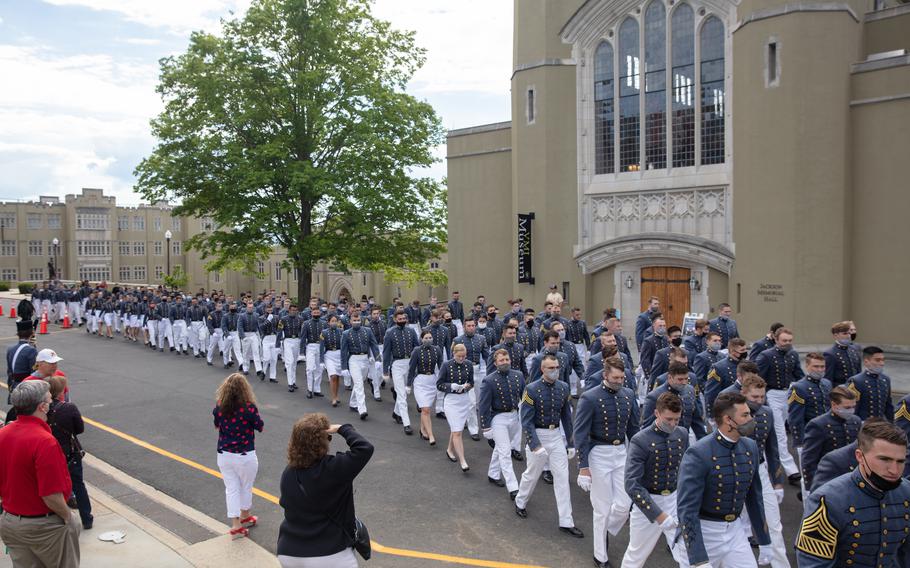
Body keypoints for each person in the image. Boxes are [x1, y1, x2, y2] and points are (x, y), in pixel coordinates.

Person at [796, 420, 910, 566]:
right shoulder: (828, 501)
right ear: (860, 456)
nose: (894, 470)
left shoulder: (906, 493)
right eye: (884, 459)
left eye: (900, 461)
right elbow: (813, 564)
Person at [676, 391, 770, 568]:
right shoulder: (698, 453)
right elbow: (687, 509)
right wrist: (697, 557)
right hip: (704, 532)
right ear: (728, 420)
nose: (751, 418)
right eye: (745, 415)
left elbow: (754, 497)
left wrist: (764, 540)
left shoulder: (750, 447)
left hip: (735, 530)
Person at [0, 380, 81, 568]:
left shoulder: (3, 435)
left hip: (11, 521)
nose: (51, 403)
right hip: (44, 527)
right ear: (42, 407)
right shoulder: (45, 442)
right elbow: (51, 495)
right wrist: (68, 517)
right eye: (49, 400)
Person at [278, 414, 373, 568]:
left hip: (289, 552)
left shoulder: (288, 473)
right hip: (330, 553)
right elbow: (364, 448)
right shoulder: (334, 468)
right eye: (328, 438)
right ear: (321, 443)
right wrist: (343, 428)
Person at [574, 356, 640, 568]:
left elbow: (633, 429)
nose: (619, 381)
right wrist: (583, 467)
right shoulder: (590, 397)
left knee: (624, 504)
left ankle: (604, 530)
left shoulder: (629, 395)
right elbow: (580, 433)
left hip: (620, 452)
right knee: (601, 508)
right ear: (605, 375)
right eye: (615, 378)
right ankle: (600, 555)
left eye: (622, 378)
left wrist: (640, 457)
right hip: (599, 453)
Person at [514, 354, 581, 537]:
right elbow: (526, 421)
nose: (555, 371)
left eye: (557, 367)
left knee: (562, 477)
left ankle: (566, 520)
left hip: (555, 436)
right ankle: (520, 501)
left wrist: (570, 442)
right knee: (532, 474)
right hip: (538, 434)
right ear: (542, 369)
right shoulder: (531, 389)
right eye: (551, 368)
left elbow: (566, 417)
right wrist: (534, 444)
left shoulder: (564, 387)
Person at [621, 392, 690, 568]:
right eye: (669, 419)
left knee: (688, 554)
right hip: (649, 503)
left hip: (675, 500)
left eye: (677, 419)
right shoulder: (641, 440)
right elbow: (632, 484)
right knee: (636, 555)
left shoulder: (681, 434)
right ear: (657, 413)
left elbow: (686, 469)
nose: (673, 424)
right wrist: (658, 515)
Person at [739, 374, 789, 568]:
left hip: (759, 471)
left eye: (762, 397)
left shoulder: (767, 413)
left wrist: (777, 481)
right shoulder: (731, 412)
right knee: (731, 525)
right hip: (736, 471)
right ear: (743, 393)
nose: (759, 401)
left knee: (774, 524)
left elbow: (772, 449)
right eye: (754, 398)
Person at [213, 373, 263, 539]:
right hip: (244, 454)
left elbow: (216, 425)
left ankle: (236, 523)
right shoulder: (249, 408)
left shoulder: (220, 406)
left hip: (224, 454)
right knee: (246, 486)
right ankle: (245, 514)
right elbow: (260, 426)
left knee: (231, 489)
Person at [44, 375, 93, 532]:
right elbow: (79, 429)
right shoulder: (68, 408)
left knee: (53, 487)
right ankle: (87, 518)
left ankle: (60, 517)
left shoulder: (42, 409)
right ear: (60, 392)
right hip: (70, 452)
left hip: (49, 453)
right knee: (78, 484)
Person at [755, 327, 804, 485]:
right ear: (776, 340)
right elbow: (759, 379)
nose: (787, 344)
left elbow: (798, 374)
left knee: (796, 428)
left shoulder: (793, 354)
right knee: (779, 434)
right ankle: (792, 471)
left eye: (790, 341)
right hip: (772, 395)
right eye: (784, 341)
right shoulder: (766, 356)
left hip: (789, 393)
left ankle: (772, 464)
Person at [479, 349, 524, 496]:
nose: (505, 362)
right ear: (495, 363)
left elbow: (525, 397)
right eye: (501, 360)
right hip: (498, 418)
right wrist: (485, 427)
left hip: (514, 416)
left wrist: (527, 413)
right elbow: (484, 406)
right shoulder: (489, 380)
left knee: (501, 447)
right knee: (505, 452)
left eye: (506, 359)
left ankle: (493, 474)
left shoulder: (518, 375)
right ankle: (513, 488)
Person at [800, 386, 861, 492]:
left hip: (852, 477)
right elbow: (809, 459)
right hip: (828, 477)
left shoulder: (856, 421)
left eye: (853, 407)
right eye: (847, 407)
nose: (851, 410)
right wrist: (813, 485)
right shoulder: (818, 424)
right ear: (834, 405)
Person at [787, 352, 832, 480]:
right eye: (816, 367)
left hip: (827, 434)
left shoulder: (827, 384)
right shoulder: (799, 388)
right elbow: (795, 418)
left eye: (822, 367)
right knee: (809, 476)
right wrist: (799, 441)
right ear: (807, 366)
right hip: (809, 436)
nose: (820, 370)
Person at [640, 361, 707, 439]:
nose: (684, 382)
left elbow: (696, 420)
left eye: (686, 379)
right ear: (670, 378)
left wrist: (702, 439)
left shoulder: (690, 390)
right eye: (680, 379)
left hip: (684, 439)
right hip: (663, 440)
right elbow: (647, 427)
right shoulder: (655, 396)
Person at [436, 344, 475, 471]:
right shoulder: (446, 365)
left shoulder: (469, 364)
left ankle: (449, 450)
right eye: (459, 356)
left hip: (464, 399)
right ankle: (463, 460)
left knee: (456, 429)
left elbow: (471, 382)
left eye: (464, 356)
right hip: (451, 401)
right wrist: (451, 386)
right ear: (453, 354)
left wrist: (466, 386)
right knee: (457, 432)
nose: (462, 359)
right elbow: (439, 384)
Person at [383, 309, 419, 436]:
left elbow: (417, 347)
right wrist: (385, 370)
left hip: (410, 362)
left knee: (405, 392)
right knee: (402, 394)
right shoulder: (389, 332)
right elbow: (386, 352)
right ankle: (406, 423)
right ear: (395, 320)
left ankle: (396, 413)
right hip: (397, 364)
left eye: (404, 319)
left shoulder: (411, 331)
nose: (402, 321)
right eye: (400, 319)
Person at [340, 312, 380, 420]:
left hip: (365, 358)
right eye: (354, 320)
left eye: (358, 320)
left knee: (360, 383)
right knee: (358, 384)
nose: (356, 322)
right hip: (353, 359)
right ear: (350, 321)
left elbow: (374, 345)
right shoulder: (346, 333)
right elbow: (343, 352)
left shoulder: (367, 331)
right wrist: (343, 367)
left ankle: (353, 403)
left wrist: (377, 359)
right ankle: (362, 409)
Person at [407, 330, 444, 445]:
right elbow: (412, 369)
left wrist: (442, 381)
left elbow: (442, 366)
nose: (428, 340)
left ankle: (423, 430)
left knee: (426, 409)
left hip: (432, 380)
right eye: (426, 338)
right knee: (425, 409)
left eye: (430, 337)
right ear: (421, 339)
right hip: (420, 381)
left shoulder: (437, 349)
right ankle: (431, 435)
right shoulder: (416, 351)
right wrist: (408, 384)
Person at [847, 345, 893, 421]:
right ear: (866, 362)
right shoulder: (856, 381)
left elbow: (888, 406)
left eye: (883, 360)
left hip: (880, 424)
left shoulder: (885, 379)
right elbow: (852, 407)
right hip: (863, 424)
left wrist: (892, 424)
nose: (882, 363)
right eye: (877, 360)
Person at [6, 320, 37, 404]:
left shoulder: (10, 349)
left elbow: (9, 372)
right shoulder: (31, 350)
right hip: (26, 388)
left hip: (14, 386)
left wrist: (10, 387)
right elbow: (34, 372)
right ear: (31, 334)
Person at [823, 321, 861, 386]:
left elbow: (859, 373)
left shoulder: (855, 349)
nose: (848, 336)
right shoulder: (830, 353)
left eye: (849, 333)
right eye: (845, 333)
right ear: (835, 335)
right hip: (840, 390)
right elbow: (828, 378)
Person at [278, 304, 304, 393]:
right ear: (289, 310)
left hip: (296, 340)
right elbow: (279, 331)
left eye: (295, 310)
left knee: (294, 362)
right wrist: (278, 344)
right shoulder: (283, 319)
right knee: (289, 362)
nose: (293, 311)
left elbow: (302, 331)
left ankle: (293, 382)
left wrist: (303, 343)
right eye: (292, 310)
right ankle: (290, 383)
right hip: (288, 340)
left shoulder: (300, 319)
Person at [320, 315, 344, 406]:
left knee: (337, 377)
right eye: (332, 321)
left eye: (335, 321)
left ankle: (336, 395)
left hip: (339, 354)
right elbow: (322, 347)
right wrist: (321, 361)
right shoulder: (324, 333)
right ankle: (333, 397)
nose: (334, 323)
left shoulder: (342, 332)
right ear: (328, 322)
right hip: (329, 355)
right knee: (333, 376)